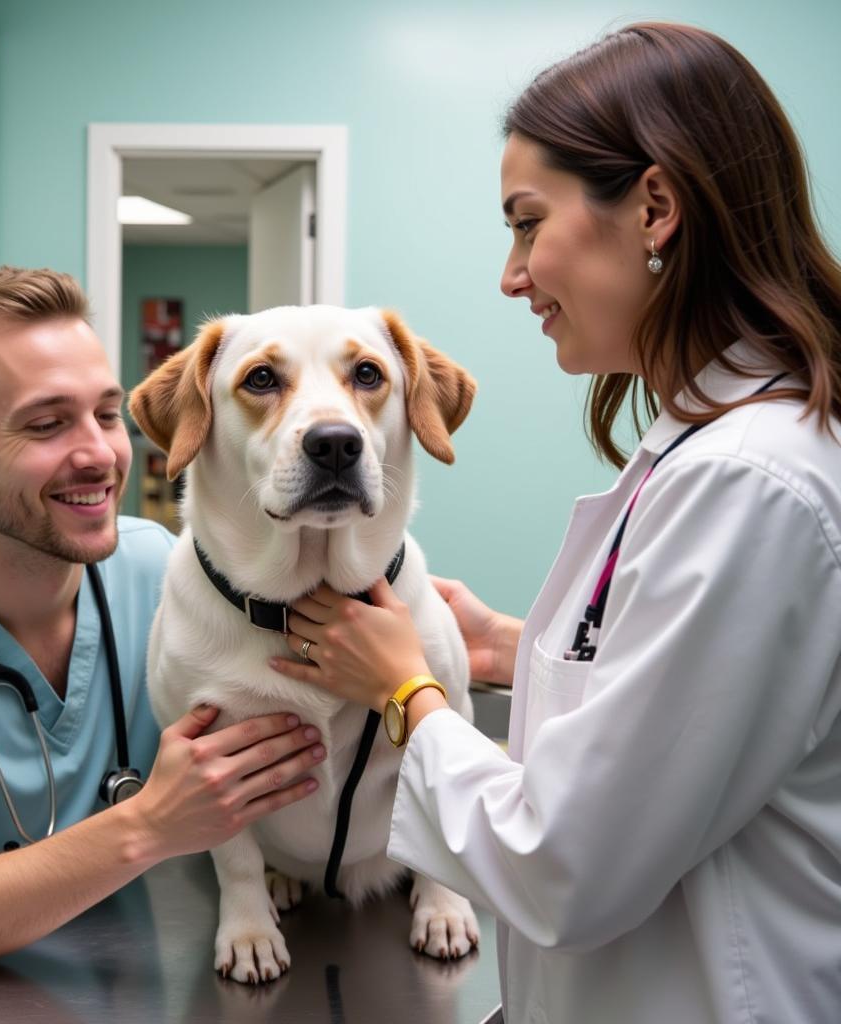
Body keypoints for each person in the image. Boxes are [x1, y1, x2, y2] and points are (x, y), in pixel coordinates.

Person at [273, 22, 841, 1024]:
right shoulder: (707, 453)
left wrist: (406, 689)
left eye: (526, 224)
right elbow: (672, 711)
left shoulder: (750, 481)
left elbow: (563, 863)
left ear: (655, 208)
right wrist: (505, 647)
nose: (511, 273)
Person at [0, 267, 324, 1019]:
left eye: (107, 414)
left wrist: (474, 650)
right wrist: (149, 824)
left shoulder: (166, 572)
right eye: (47, 423)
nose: (100, 455)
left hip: (100, 984)